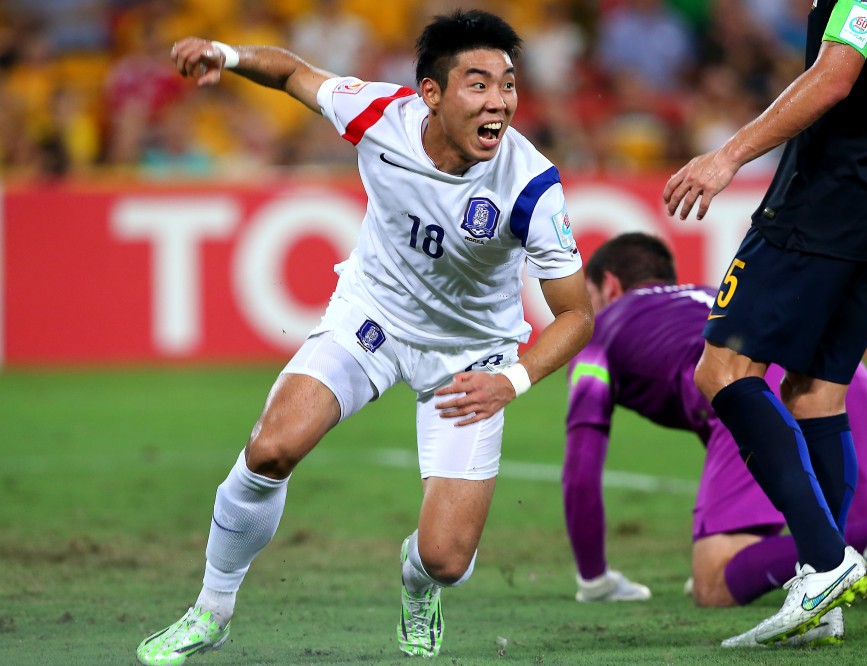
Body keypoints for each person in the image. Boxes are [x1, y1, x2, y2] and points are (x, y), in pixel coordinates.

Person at [136, 10, 593, 665]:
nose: (499, 102)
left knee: (444, 558)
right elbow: (293, 71)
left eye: (508, 84)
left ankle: (417, 588)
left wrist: (511, 379)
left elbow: (576, 315)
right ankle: (210, 610)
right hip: (371, 320)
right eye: (478, 84)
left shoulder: (530, 185)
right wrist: (227, 55)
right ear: (431, 95)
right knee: (271, 448)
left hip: (470, 359)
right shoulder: (379, 115)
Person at [663, 0, 867, 646]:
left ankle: (827, 559)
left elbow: (835, 76)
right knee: (815, 394)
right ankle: (820, 594)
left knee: (721, 370)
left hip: (823, 200)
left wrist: (728, 156)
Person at [563, 234, 867, 646]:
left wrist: (594, 578)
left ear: (610, 287)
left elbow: (582, 468)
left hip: (755, 391)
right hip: (842, 384)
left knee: (715, 581)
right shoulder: (708, 296)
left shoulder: (597, 333)